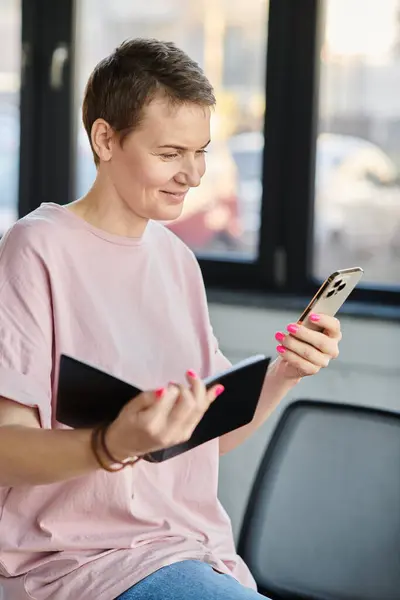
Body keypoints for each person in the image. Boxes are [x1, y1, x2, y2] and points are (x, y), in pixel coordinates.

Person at [0, 39, 341, 600]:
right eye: (170, 153)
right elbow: (7, 448)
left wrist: (285, 373)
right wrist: (110, 444)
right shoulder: (37, 247)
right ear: (105, 139)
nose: (193, 174)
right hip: (84, 564)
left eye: (201, 151)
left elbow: (205, 439)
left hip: (194, 551)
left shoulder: (176, 259)